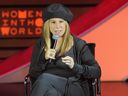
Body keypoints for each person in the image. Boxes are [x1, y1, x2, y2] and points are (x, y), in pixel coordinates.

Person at [29, 3, 101, 96]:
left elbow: (97, 71)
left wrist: (75, 66)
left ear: (66, 24)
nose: (57, 26)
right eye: (53, 22)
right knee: (51, 93)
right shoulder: (41, 44)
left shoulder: (78, 44)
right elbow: (33, 74)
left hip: (73, 86)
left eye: (61, 22)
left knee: (44, 78)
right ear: (48, 25)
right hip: (48, 87)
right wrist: (44, 59)